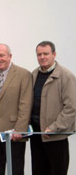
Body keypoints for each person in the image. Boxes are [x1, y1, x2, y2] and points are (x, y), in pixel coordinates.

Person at [0, 44, 33, 175]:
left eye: (1, 55)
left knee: (15, 170)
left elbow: (25, 105)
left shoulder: (23, 74)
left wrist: (20, 129)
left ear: (10, 56)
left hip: (14, 132)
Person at [30, 41, 76, 175]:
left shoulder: (66, 76)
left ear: (54, 54)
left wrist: (54, 127)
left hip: (56, 136)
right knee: (38, 171)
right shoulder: (34, 75)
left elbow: (71, 108)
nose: (42, 57)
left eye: (46, 54)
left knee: (57, 171)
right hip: (37, 135)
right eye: (39, 54)